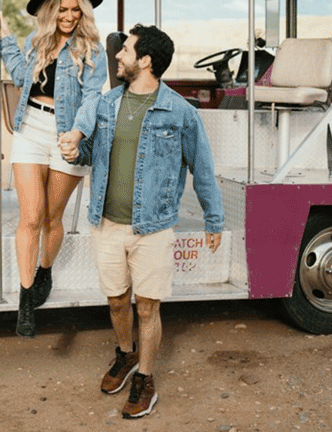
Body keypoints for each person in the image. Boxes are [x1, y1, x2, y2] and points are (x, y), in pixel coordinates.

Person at [59, 23, 224, 419]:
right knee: (117, 301)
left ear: (145, 60)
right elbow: (91, 156)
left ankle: (144, 378)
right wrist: (73, 153)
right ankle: (125, 353)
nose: (118, 55)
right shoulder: (106, 104)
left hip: (154, 226)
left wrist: (213, 219)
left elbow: (202, 168)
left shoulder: (181, 112)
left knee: (148, 308)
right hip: (107, 224)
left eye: (126, 50)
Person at [0, 0, 107, 338]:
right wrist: (6, 38)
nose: (69, 16)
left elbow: (93, 97)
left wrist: (77, 133)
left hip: (67, 135)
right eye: (62, 10)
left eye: (75, 10)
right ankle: (26, 300)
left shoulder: (92, 49)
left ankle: (45, 269)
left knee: (52, 219)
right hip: (30, 129)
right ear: (50, 10)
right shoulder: (35, 42)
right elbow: (17, 74)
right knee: (31, 216)